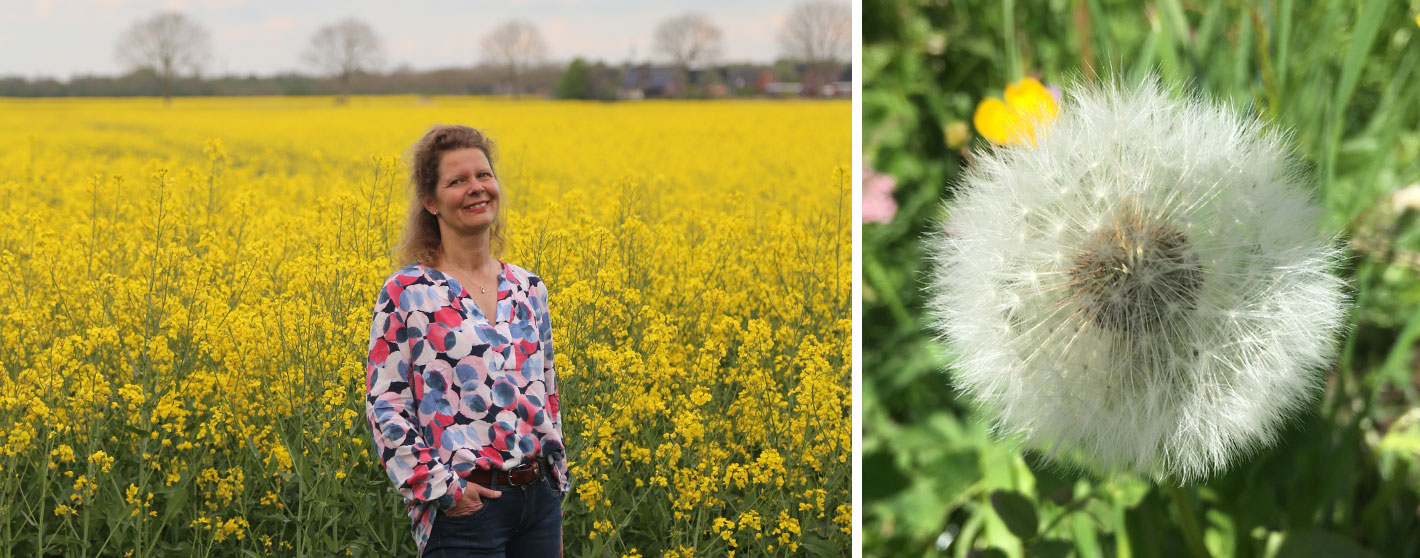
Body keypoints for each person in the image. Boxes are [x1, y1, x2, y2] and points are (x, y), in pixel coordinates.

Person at [365, 124, 567, 557]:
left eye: (483, 175)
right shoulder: (409, 293)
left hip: (539, 502)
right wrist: (441, 489)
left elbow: (547, 392)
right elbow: (386, 405)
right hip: (465, 508)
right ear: (430, 201)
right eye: (457, 181)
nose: (476, 189)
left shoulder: (528, 288)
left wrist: (555, 480)